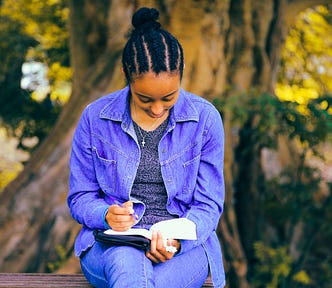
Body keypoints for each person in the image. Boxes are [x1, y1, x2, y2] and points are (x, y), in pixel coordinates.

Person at [67, 6, 225, 288]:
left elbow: (208, 204)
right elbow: (80, 197)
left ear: (181, 75)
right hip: (111, 247)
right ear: (128, 76)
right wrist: (105, 215)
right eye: (145, 99)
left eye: (168, 97)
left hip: (183, 249)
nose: (157, 109)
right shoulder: (95, 118)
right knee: (128, 265)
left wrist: (175, 239)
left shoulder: (205, 119)